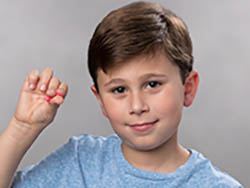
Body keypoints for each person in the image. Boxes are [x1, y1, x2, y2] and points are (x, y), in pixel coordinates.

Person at [0, 1, 243, 188]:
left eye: (152, 85)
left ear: (187, 88)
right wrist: (23, 127)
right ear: (101, 101)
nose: (136, 106)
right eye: (119, 90)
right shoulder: (81, 162)